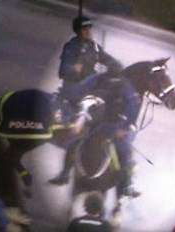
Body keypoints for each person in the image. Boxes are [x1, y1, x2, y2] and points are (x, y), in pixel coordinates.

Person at [54, 15, 141, 198]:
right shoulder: (71, 48)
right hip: (77, 89)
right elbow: (65, 74)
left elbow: (109, 61)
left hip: (112, 120)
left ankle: (126, 183)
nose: (88, 32)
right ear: (78, 31)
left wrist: (125, 128)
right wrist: (74, 69)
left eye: (89, 28)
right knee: (77, 137)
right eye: (84, 29)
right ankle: (65, 172)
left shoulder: (94, 47)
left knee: (125, 148)